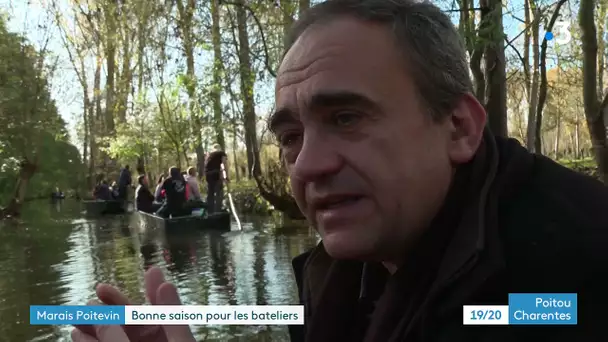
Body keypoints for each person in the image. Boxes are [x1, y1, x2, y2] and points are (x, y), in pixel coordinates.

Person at [72, 0, 608, 341]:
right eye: (290, 136)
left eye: (347, 118)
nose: (306, 164)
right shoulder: (343, 269)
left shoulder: (568, 285)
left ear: (459, 128)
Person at [205, 144, 228, 213]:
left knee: (210, 194)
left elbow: (207, 166)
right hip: (215, 174)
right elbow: (225, 164)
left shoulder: (209, 155)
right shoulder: (221, 153)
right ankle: (218, 211)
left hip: (208, 175)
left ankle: (210, 211)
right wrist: (226, 176)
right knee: (219, 193)